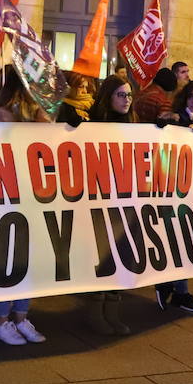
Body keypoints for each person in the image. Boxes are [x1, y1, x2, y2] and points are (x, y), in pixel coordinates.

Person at [82, 75, 137, 335]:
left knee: (120, 254)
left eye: (129, 95)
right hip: (98, 201)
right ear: (108, 97)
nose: (126, 100)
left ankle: (113, 313)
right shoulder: (93, 123)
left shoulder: (135, 124)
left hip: (124, 201)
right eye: (121, 95)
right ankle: (95, 313)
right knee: (101, 256)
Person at [151, 80, 193, 315]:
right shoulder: (178, 119)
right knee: (175, 237)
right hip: (175, 189)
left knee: (188, 239)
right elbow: (159, 126)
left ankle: (180, 290)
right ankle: (169, 286)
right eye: (192, 97)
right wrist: (170, 121)